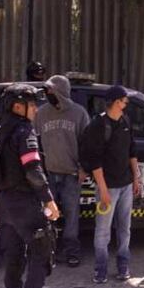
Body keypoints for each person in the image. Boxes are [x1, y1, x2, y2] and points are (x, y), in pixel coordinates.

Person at [0, 84, 61, 288]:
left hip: (3, 205)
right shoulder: (24, 131)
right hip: (23, 202)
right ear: (18, 106)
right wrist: (48, 199)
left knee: (14, 258)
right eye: (32, 104)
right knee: (42, 249)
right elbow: (33, 170)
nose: (36, 109)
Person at [80, 85, 141, 284]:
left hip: (125, 185)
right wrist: (103, 190)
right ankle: (101, 269)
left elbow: (132, 151)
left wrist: (136, 177)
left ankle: (123, 267)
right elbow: (94, 160)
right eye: (125, 101)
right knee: (103, 231)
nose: (126, 105)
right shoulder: (98, 125)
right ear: (116, 102)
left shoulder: (125, 121)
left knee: (125, 228)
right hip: (108, 187)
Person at [34, 74, 90, 267]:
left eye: (50, 89)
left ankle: (72, 251)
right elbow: (32, 140)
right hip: (48, 172)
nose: (47, 93)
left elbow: (87, 143)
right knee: (48, 214)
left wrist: (84, 167)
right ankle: (48, 252)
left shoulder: (79, 113)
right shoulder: (42, 113)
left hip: (72, 174)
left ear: (60, 91)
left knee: (71, 214)